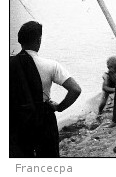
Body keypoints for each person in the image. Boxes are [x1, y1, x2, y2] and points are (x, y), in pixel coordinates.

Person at [10, 21, 81, 157]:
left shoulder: (9, 64)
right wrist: (60, 107)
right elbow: (75, 90)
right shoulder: (50, 66)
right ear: (39, 40)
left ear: (20, 41)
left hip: (16, 117)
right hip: (43, 116)